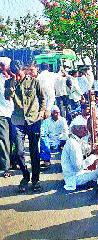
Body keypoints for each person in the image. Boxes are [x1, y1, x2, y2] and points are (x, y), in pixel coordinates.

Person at [5, 62, 46, 192]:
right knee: (18, 152)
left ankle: (35, 180)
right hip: (18, 121)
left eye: (18, 74)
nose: (16, 77)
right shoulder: (9, 83)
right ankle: (25, 176)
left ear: (24, 70)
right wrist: (11, 87)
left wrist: (41, 112)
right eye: (13, 74)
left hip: (33, 120)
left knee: (34, 152)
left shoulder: (34, 82)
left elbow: (42, 98)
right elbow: (7, 97)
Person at [61, 117, 98, 191]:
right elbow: (78, 167)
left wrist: (93, 149)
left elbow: (85, 149)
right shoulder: (73, 144)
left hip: (76, 174)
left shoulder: (76, 140)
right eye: (83, 128)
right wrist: (94, 156)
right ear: (76, 130)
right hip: (74, 177)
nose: (86, 130)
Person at [0, 57, 14, 177]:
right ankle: (6, 167)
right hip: (2, 114)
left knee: (14, 140)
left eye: (2, 65)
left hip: (16, 114)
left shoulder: (16, 79)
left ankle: (14, 161)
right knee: (4, 140)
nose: (1, 68)